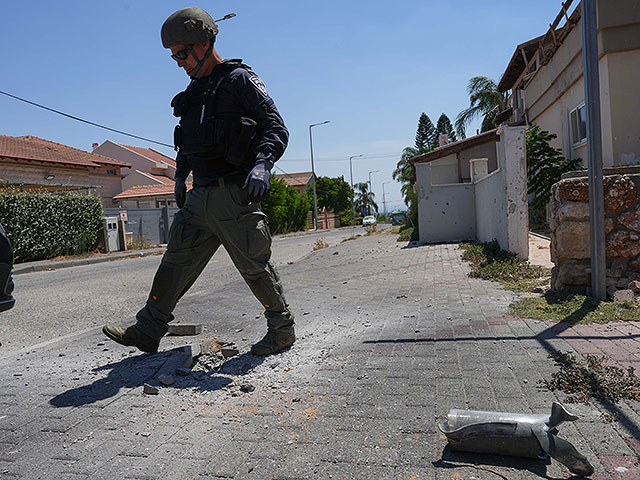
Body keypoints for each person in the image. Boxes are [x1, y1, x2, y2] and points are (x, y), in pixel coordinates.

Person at [103, 7, 295, 356]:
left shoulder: (239, 81)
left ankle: (282, 330)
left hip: (235, 195)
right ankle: (148, 329)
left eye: (182, 53)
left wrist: (263, 165)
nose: (178, 61)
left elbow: (275, 127)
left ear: (205, 43)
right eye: (173, 55)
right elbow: (189, 140)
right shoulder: (195, 91)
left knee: (254, 266)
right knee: (175, 261)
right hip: (200, 196)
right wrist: (179, 176)